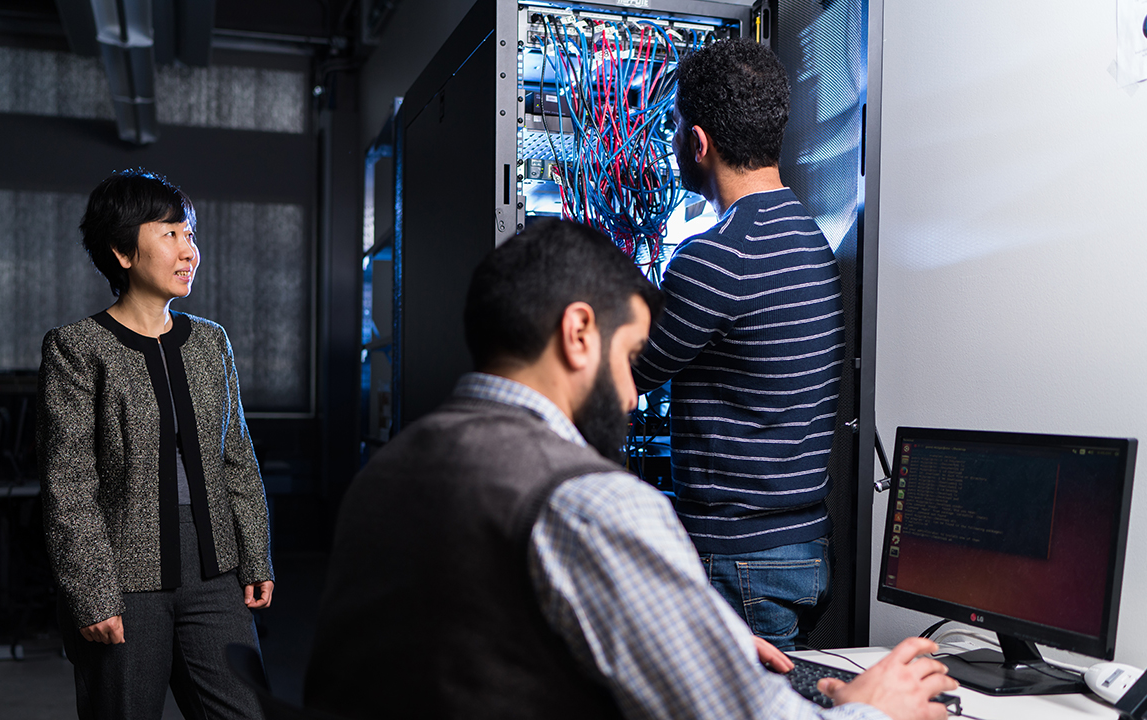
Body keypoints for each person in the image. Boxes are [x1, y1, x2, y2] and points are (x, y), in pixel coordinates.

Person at [304, 219, 956, 720]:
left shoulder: (387, 471)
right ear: (579, 332)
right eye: (633, 356)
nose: (633, 393)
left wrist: (688, 640)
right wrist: (870, 706)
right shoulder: (585, 500)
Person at [631, 39, 846, 649]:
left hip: (737, 557)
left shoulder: (713, 257)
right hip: (803, 549)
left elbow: (628, 374)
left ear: (698, 142)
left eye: (674, 127)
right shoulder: (813, 241)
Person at [38, 169, 274, 720]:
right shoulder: (77, 348)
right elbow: (68, 483)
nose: (188, 249)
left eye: (189, 233)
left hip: (216, 570)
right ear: (123, 252)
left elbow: (236, 454)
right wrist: (91, 592)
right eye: (169, 233)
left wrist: (255, 554)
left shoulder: (211, 341)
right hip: (124, 576)